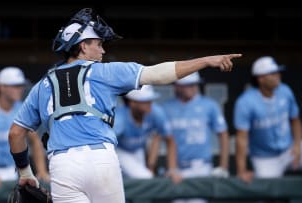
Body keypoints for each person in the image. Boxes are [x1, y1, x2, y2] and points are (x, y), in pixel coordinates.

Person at [8, 8, 241, 203]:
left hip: (63, 165)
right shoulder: (105, 71)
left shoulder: (42, 84)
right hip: (101, 159)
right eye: (98, 44)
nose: (103, 50)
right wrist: (207, 60)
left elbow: (16, 133)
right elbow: (160, 74)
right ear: (82, 46)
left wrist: (25, 172)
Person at [162, 71, 230, 203]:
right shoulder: (167, 107)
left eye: (195, 84)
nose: (193, 88)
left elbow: (223, 134)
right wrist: (171, 168)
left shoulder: (209, 105)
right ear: (177, 86)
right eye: (188, 85)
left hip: (201, 167)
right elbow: (165, 139)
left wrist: (224, 165)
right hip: (178, 168)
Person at [234, 56, 302, 183]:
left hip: (289, 149)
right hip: (264, 158)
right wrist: (241, 170)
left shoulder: (285, 90)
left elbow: (295, 119)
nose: (278, 75)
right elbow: (241, 138)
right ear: (260, 78)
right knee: (265, 192)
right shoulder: (245, 102)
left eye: (277, 72)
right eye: (272, 73)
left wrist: (297, 145)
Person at [113, 85, 180, 181]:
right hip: (119, 150)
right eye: (145, 101)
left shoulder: (156, 112)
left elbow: (169, 140)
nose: (150, 103)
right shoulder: (120, 117)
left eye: (150, 100)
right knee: (145, 177)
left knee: (142, 181)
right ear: (132, 102)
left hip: (138, 150)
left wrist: (172, 169)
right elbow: (107, 144)